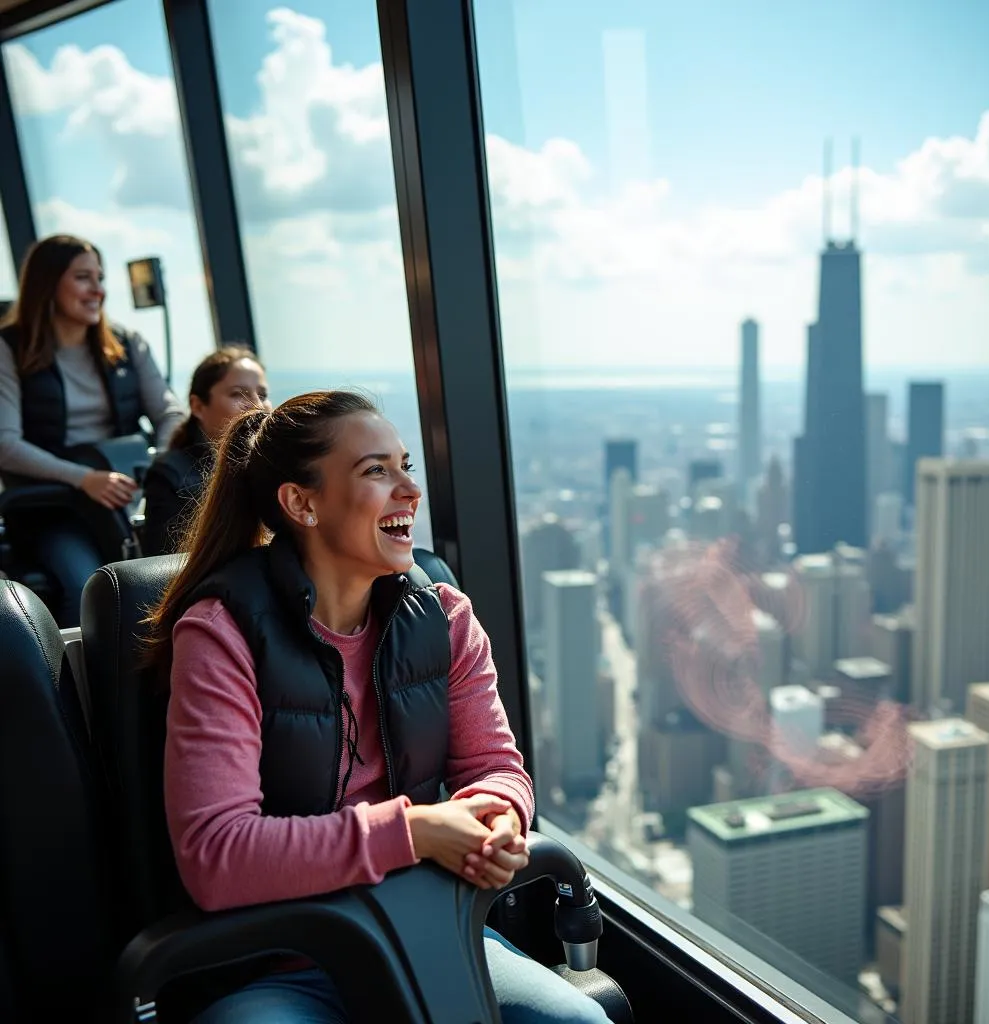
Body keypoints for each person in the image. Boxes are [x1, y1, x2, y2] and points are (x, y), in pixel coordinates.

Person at [145, 390, 610, 1023]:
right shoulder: (222, 633)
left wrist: (499, 817)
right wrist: (416, 831)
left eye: (405, 465)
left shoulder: (444, 617)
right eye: (375, 471)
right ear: (302, 503)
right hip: (279, 959)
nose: (409, 490)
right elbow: (217, 856)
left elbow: (496, 768)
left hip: (423, 927)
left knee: (578, 1021)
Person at [0, 233, 185, 625]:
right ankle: (83, 686)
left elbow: (171, 414)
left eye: (100, 278)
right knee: (83, 585)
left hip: (125, 501)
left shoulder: (127, 344)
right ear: (48, 283)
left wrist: (159, 466)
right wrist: (84, 479)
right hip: (55, 507)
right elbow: (5, 444)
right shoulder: (9, 349)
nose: (97, 290)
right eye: (83, 278)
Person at [142, 346, 270, 555]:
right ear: (198, 406)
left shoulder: (278, 467)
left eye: (263, 395)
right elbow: (163, 567)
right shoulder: (170, 476)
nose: (257, 405)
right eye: (238, 394)